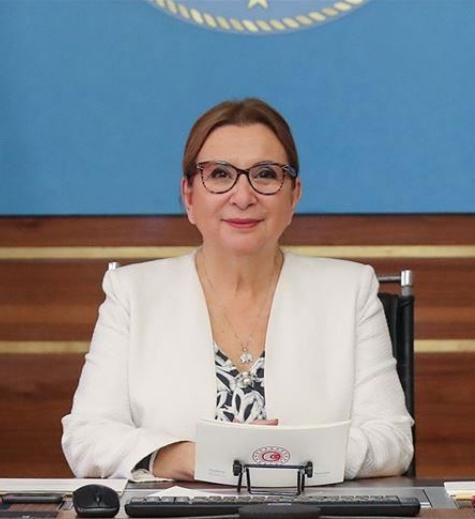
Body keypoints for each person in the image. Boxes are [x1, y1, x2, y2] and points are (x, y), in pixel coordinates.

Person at [61, 98, 413, 481]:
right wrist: (190, 457)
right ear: (189, 196)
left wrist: (288, 456)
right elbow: (86, 438)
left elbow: (392, 440)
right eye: (219, 174)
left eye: (265, 175)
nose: (243, 197)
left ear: (294, 196)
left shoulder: (350, 291)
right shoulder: (132, 294)